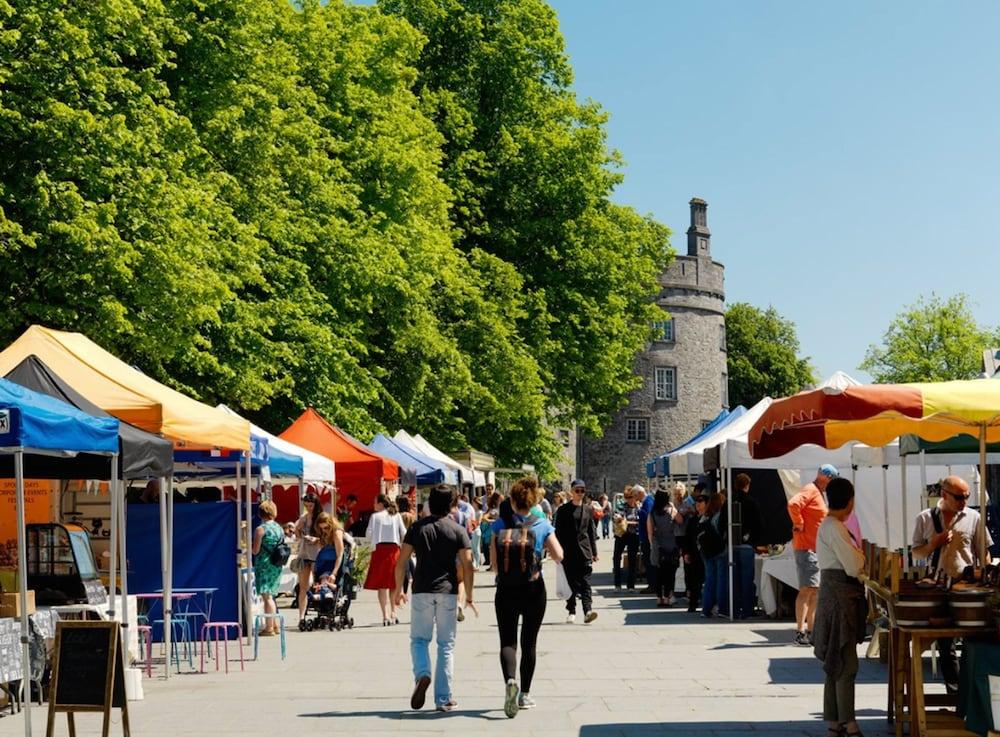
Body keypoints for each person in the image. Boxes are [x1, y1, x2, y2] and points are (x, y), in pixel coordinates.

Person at [394, 485, 476, 713]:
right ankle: (444, 698)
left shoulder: (418, 528)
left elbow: (401, 562)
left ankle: (422, 674)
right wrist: (469, 595)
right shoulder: (458, 530)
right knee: (445, 644)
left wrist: (397, 590)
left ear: (429, 502)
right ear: (452, 505)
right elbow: (468, 565)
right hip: (448, 591)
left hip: (421, 589)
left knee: (419, 640)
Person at [911, 474, 993, 694]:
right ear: (944, 495)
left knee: (972, 640)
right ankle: (955, 692)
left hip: (965, 589)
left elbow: (983, 551)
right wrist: (933, 544)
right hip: (936, 587)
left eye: (966, 496)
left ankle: (969, 693)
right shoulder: (925, 518)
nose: (963, 501)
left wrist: (984, 578)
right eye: (958, 497)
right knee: (945, 644)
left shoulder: (974, 517)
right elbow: (916, 551)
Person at [491, 477, 564, 718]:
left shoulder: (499, 525)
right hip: (533, 588)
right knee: (529, 642)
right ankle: (525, 694)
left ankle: (510, 681)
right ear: (534, 501)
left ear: (511, 500)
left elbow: (493, 566)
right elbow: (559, 555)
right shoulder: (541, 524)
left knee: (507, 641)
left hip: (506, 590)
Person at [813, 477, 867, 737]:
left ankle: (835, 721)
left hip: (834, 596)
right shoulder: (834, 527)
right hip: (838, 598)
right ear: (850, 501)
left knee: (837, 662)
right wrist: (861, 555)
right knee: (845, 664)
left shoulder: (831, 526)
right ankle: (847, 721)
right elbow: (854, 566)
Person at [788, 464, 836, 645]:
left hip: (814, 548)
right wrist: (799, 524)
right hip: (807, 547)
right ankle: (801, 631)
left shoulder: (817, 491)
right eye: (831, 480)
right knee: (807, 589)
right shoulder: (811, 490)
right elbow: (793, 504)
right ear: (825, 477)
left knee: (814, 591)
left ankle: (811, 630)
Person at [555, 479, 599, 624]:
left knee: (586, 582)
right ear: (572, 492)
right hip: (568, 551)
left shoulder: (588, 509)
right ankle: (571, 610)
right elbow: (558, 533)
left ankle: (588, 611)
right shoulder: (563, 510)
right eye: (577, 490)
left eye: (582, 491)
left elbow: (591, 532)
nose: (580, 493)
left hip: (584, 551)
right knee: (571, 582)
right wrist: (557, 552)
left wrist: (594, 552)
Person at [365, 494, 407, 626]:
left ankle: (385, 615)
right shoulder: (396, 515)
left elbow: (368, 534)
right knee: (393, 583)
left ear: (381, 504)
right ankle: (394, 612)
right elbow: (404, 533)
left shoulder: (375, 516)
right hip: (394, 550)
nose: (374, 505)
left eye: (375, 502)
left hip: (379, 551)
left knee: (381, 585)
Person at [731, 473, 763, 619]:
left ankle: (734, 608)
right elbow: (759, 524)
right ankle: (747, 609)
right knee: (747, 579)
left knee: (734, 578)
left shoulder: (729, 502)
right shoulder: (751, 502)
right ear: (747, 485)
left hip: (731, 544)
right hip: (747, 544)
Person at [252, 500, 284, 636]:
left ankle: (269, 627)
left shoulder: (261, 529)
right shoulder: (279, 528)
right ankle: (275, 625)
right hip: (276, 564)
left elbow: (255, 550)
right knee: (272, 595)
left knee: (267, 597)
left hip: (264, 564)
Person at [647, 489, 683, 607]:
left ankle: (659, 598)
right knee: (670, 574)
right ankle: (667, 597)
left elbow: (650, 533)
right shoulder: (671, 510)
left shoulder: (652, 513)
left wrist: (653, 544)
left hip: (658, 546)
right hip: (671, 545)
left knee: (658, 573)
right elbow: (680, 520)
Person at [294, 492, 323, 625]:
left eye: (310, 506)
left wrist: (316, 539)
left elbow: (327, 537)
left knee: (318, 585)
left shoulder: (321, 518)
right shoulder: (304, 518)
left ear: (316, 505)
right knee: (303, 587)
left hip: (317, 555)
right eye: (306, 506)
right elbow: (297, 534)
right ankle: (301, 617)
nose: (308, 508)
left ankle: (321, 612)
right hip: (304, 554)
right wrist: (299, 531)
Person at [698, 491, 728, 618]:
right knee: (721, 580)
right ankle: (722, 608)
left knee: (709, 579)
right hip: (720, 551)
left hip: (706, 551)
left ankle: (706, 609)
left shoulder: (705, 516)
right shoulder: (721, 516)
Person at [683, 493, 708, 612]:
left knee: (707, 579)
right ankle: (693, 603)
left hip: (707, 553)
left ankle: (708, 604)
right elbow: (687, 537)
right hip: (694, 553)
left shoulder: (709, 518)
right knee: (695, 580)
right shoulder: (693, 520)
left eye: (701, 502)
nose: (698, 504)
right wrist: (686, 552)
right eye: (696, 502)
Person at [311, 512, 345, 598]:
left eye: (326, 528)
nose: (323, 530)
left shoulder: (337, 532)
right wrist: (317, 540)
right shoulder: (324, 532)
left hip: (331, 563)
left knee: (326, 578)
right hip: (321, 561)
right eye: (321, 528)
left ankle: (326, 593)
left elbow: (340, 554)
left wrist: (334, 573)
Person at [612, 490, 641, 591]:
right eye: (627, 497)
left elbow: (641, 520)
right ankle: (617, 584)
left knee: (632, 559)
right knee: (616, 557)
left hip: (633, 535)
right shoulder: (622, 506)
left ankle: (631, 585)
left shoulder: (639, 507)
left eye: (631, 497)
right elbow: (616, 516)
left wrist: (627, 521)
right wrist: (622, 520)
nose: (629, 499)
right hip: (621, 534)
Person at [634, 486, 655, 594]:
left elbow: (647, 517)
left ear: (641, 493)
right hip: (645, 536)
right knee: (647, 561)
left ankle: (652, 584)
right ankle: (651, 583)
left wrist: (639, 510)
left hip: (648, 537)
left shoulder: (648, 501)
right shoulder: (647, 501)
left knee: (649, 561)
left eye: (635, 495)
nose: (635, 497)